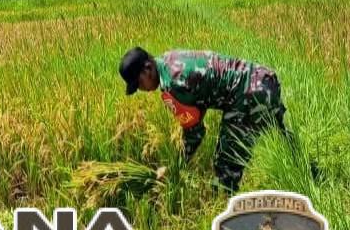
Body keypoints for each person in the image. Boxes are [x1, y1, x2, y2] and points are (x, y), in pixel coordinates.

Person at [119, 46, 289, 194]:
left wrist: (175, 166)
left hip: (247, 95)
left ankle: (224, 212)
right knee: (284, 138)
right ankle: (309, 172)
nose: (141, 89)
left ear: (147, 69)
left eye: (138, 84)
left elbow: (195, 133)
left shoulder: (172, 85)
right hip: (264, 79)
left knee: (226, 165)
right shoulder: (169, 59)